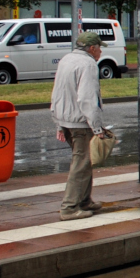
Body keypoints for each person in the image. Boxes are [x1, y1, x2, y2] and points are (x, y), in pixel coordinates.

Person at [51, 31, 112, 220]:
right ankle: (69, 207)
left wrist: (59, 124)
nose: (100, 52)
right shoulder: (88, 64)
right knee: (81, 163)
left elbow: (58, 92)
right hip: (81, 122)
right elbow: (87, 98)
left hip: (65, 118)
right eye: (99, 48)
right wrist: (97, 127)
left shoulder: (66, 60)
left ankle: (85, 200)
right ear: (92, 48)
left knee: (85, 161)